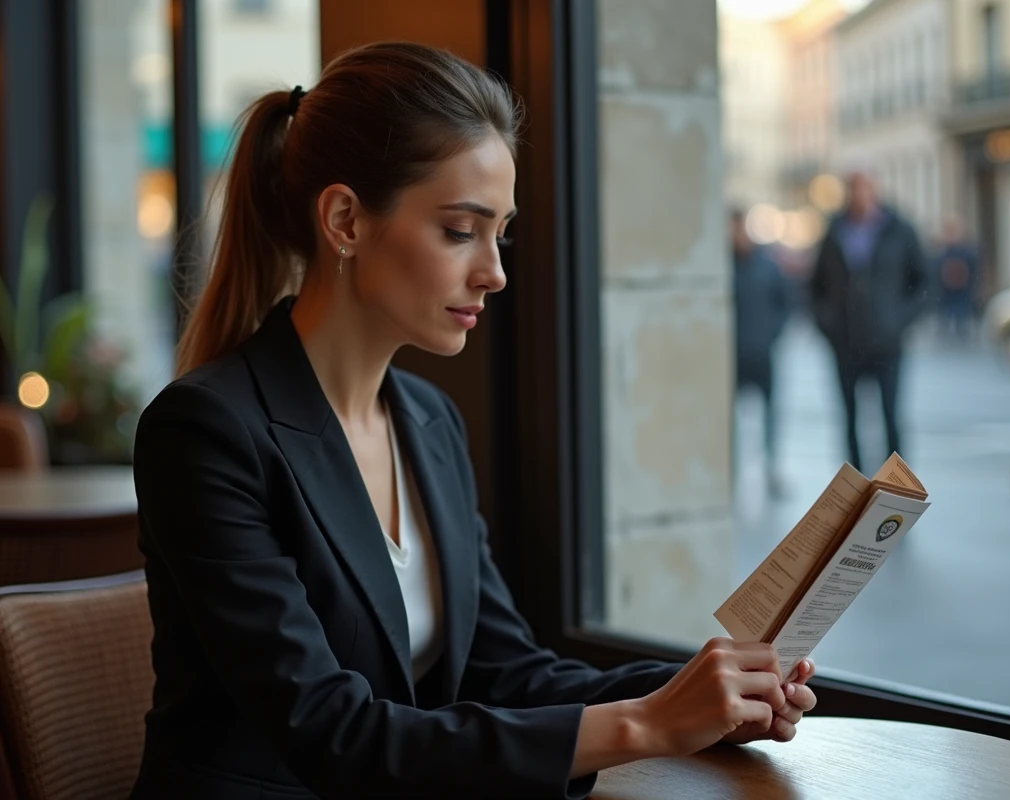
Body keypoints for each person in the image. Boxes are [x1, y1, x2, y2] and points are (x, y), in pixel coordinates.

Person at [130, 43, 816, 799]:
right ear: (346, 220)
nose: (494, 270)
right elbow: (333, 734)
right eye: (461, 230)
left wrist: (709, 694)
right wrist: (649, 724)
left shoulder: (427, 421)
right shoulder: (205, 433)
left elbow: (504, 671)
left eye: (502, 232)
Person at [810, 171, 929, 473]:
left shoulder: (899, 229)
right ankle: (856, 490)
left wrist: (899, 320)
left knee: (891, 416)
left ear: (875, 189)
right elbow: (815, 285)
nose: (859, 194)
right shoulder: (835, 229)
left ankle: (894, 493)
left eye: (864, 187)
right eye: (853, 188)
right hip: (845, 344)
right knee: (849, 420)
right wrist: (827, 324)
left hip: (887, 344)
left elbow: (925, 283)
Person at [731, 208, 793, 495]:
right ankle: (729, 472)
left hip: (762, 353)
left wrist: (771, 334)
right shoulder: (723, 267)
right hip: (731, 358)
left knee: (770, 415)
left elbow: (786, 303)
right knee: (729, 421)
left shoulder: (767, 266)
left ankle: (772, 469)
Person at [933, 216, 980, 343]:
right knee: (946, 319)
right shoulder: (942, 252)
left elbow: (974, 270)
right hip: (946, 294)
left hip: (962, 293)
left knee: (962, 322)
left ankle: (960, 333)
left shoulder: (967, 251)